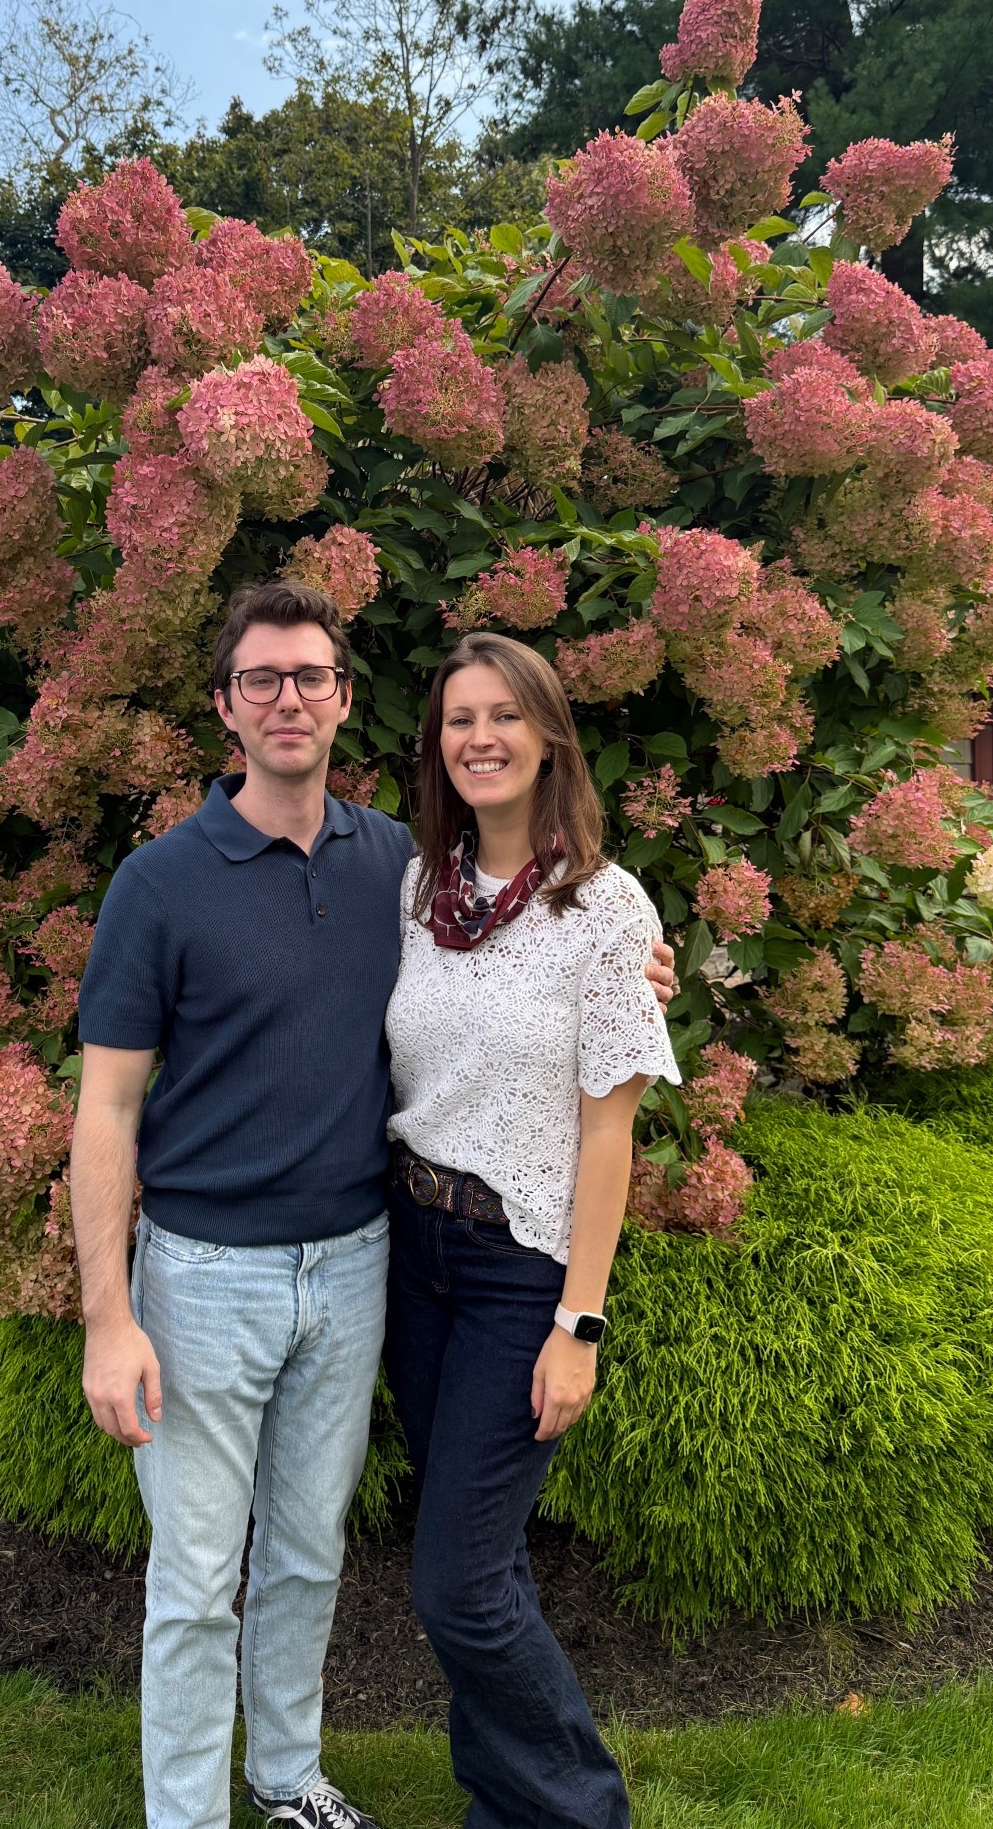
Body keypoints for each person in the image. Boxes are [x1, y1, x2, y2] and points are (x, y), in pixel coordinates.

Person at [71, 580, 675, 1829]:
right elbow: (107, 1107)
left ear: (345, 698)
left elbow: (563, 968)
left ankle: (290, 1782)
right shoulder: (172, 883)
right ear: (226, 705)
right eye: (261, 679)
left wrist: (644, 956)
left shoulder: (396, 860)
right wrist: (106, 1312)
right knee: (194, 1578)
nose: (288, 698)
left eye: (311, 676)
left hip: (364, 1264)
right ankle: (186, 1813)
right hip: (209, 1276)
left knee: (313, 1555)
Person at [383, 630, 681, 1829]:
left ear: (550, 733)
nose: (482, 737)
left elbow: (609, 1134)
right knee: (484, 1561)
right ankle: (502, 1805)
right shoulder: (415, 891)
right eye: (460, 717)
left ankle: (578, 1808)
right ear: (438, 745)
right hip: (413, 1253)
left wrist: (580, 1320)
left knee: (456, 1583)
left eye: (505, 714)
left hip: (520, 1270)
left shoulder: (607, 911)